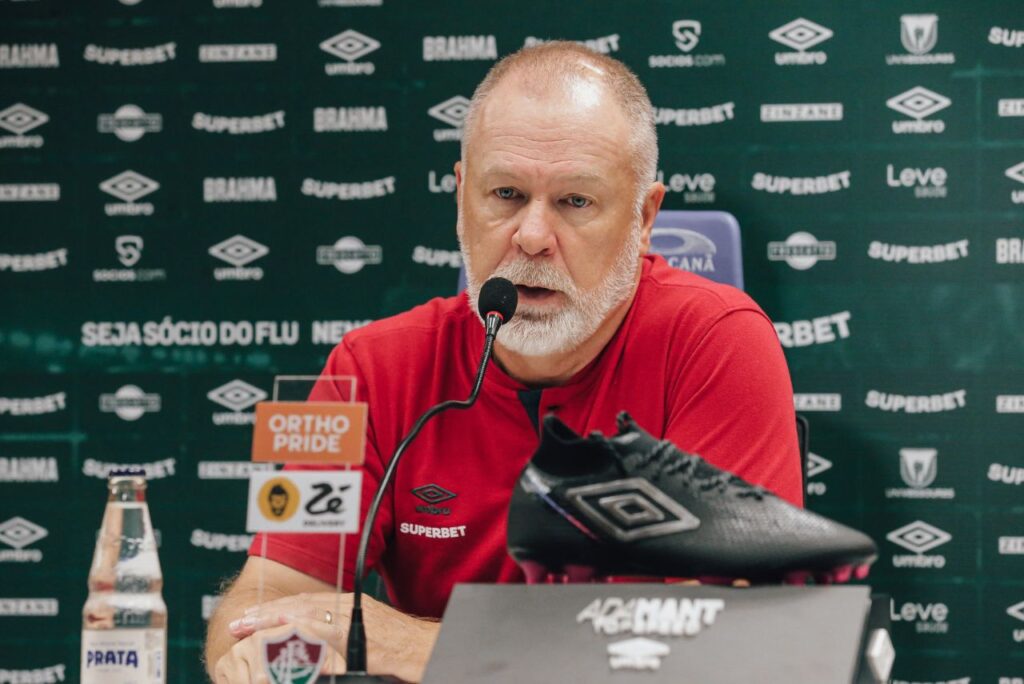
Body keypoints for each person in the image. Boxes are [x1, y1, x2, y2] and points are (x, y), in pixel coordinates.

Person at [205, 41, 801, 682]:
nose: (533, 236)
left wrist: (422, 647)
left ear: (645, 216)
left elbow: (734, 632)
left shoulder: (715, 342)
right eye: (507, 193)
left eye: (576, 201)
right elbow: (262, 599)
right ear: (463, 198)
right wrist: (261, 656)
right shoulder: (373, 369)